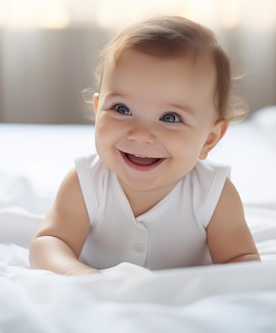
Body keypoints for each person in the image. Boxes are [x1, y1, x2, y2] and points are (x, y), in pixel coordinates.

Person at [30, 16, 260, 275]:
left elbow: (239, 260)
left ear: (209, 139)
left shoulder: (214, 194)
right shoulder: (86, 182)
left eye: (170, 118)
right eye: (122, 109)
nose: (140, 135)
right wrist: (80, 275)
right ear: (97, 111)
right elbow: (50, 242)